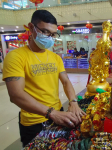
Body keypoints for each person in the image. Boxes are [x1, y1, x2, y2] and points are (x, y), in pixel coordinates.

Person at [2, 10, 85, 147]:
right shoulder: (16, 56)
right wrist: (51, 113)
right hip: (34, 122)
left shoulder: (55, 57)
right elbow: (16, 95)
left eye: (53, 34)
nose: (49, 37)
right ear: (31, 27)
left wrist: (73, 101)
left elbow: (65, 81)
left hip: (58, 114)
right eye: (45, 32)